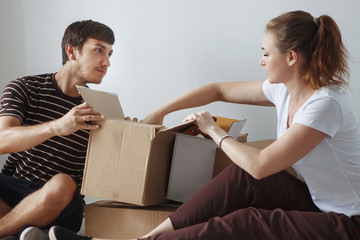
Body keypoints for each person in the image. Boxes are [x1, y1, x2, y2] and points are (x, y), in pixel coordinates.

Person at [49, 10, 360, 240]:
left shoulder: (324, 105)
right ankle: (149, 238)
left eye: (266, 53)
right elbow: (218, 90)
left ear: (291, 57)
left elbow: (262, 165)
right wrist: (162, 109)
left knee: (248, 220)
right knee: (241, 177)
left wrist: (214, 130)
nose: (261, 61)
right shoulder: (284, 90)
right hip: (318, 202)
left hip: (349, 221)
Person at [0, 20, 114, 240]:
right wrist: (57, 126)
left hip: (63, 204)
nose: (107, 62)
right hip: (14, 191)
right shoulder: (25, 88)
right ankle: (26, 233)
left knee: (62, 183)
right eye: (99, 50)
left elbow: (107, 175)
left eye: (110, 54)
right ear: (72, 51)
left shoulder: (100, 108)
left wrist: (123, 135)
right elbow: (2, 139)